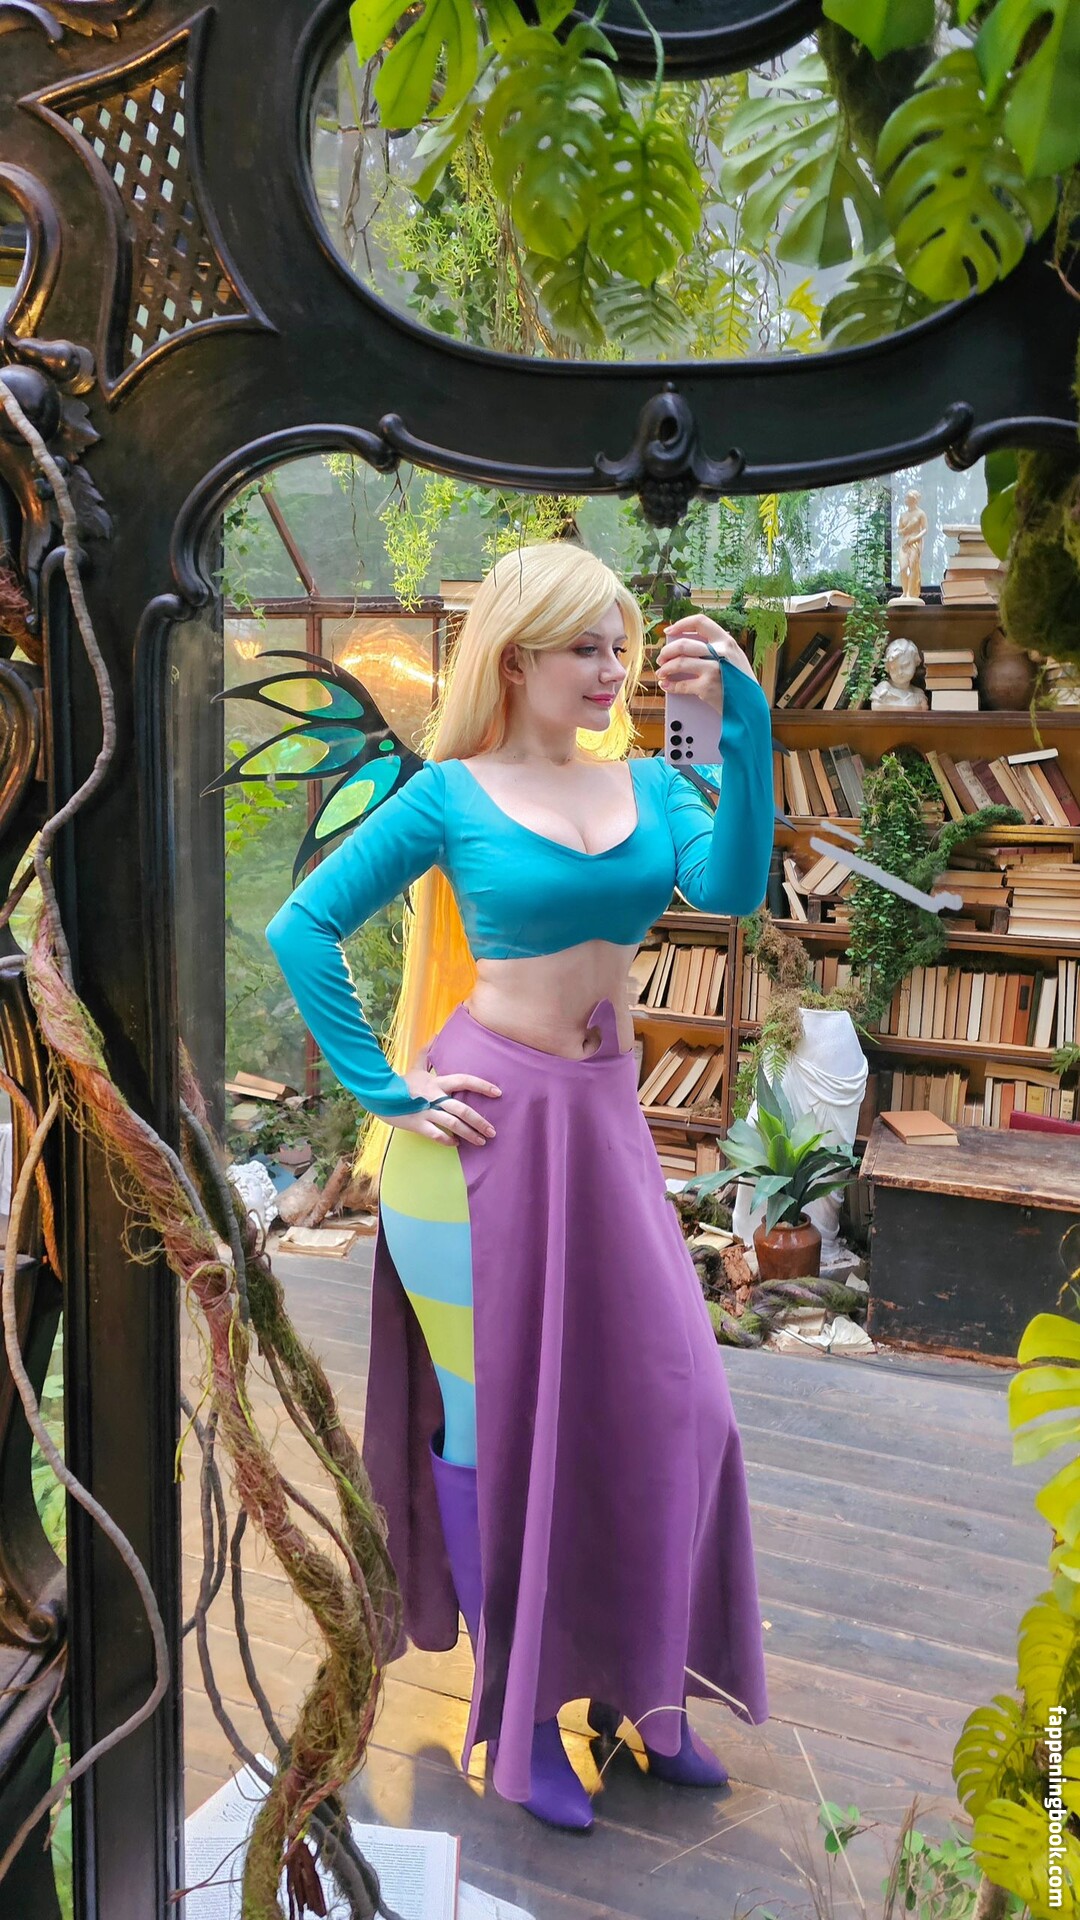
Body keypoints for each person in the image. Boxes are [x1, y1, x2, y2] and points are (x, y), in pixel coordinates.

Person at [266, 542, 774, 1833]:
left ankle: (646, 1694)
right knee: (493, 1429)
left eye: (620, 646)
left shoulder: (651, 783)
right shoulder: (450, 795)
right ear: (517, 656)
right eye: (583, 647)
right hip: (474, 1144)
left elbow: (730, 887)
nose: (609, 669)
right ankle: (521, 1709)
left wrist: (743, 724)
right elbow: (301, 927)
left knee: (682, 1405)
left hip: (604, 1128)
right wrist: (384, 1091)